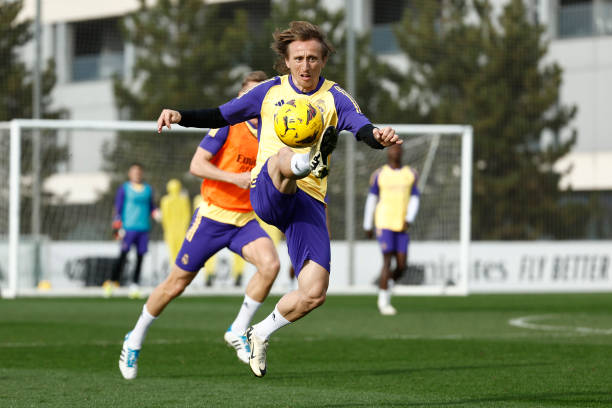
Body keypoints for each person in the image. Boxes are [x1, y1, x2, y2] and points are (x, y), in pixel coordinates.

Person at [156, 20, 401, 378]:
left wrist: (379, 136)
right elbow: (221, 114)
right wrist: (180, 115)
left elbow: (362, 127)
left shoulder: (335, 97)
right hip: (268, 187)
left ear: (323, 60)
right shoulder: (268, 92)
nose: (306, 66)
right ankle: (305, 161)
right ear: (286, 61)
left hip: (309, 203)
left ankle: (257, 332)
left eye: (313, 58)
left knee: (314, 293)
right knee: (282, 159)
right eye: (299, 58)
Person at [119, 71, 282, 380]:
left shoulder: (274, 134)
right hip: (211, 217)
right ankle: (134, 338)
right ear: (240, 100)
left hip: (244, 219)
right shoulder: (226, 126)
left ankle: (237, 329)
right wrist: (234, 178)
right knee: (176, 284)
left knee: (270, 264)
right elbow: (196, 165)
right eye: (249, 97)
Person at [363, 144, 420, 315]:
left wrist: (409, 219)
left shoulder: (410, 174)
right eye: (392, 149)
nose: (394, 152)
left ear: (402, 152)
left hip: (401, 224)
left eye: (397, 149)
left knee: (402, 266)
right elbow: (372, 199)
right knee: (387, 261)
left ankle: (387, 285)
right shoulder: (380, 174)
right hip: (384, 222)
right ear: (388, 152)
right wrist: (367, 224)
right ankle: (383, 302)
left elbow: (415, 198)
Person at [105, 163, 160, 299]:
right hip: (128, 228)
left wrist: (156, 213)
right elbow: (118, 207)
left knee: (140, 257)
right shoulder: (124, 188)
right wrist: (117, 225)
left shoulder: (148, 189)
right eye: (134, 172)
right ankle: (111, 283)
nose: (137, 174)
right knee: (123, 256)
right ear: (130, 173)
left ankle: (134, 285)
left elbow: (151, 206)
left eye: (139, 171)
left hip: (143, 228)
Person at [160, 179, 191, 264]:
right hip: (180, 230)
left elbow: (164, 218)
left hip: (172, 230)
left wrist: (165, 229)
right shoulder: (183, 200)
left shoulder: (165, 200)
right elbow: (187, 215)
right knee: (182, 251)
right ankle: (181, 269)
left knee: (174, 252)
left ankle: (175, 269)